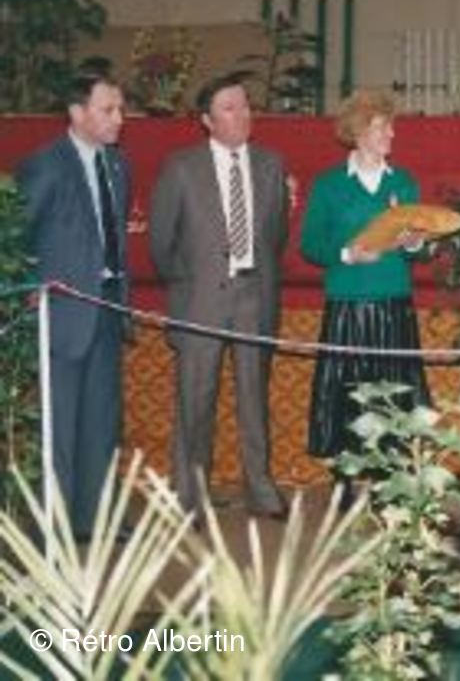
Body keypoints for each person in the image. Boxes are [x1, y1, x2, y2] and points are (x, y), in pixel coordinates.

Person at [149, 74, 288, 520]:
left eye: (245, 105)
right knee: (195, 400)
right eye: (229, 108)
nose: (242, 114)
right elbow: (161, 242)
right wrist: (190, 285)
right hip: (200, 300)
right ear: (207, 120)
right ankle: (189, 496)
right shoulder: (181, 167)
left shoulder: (271, 164)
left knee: (254, 399)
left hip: (255, 296)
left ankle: (260, 488)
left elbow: (276, 236)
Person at [300, 89, 432, 500]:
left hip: (394, 301)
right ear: (358, 132)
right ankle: (343, 478)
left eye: (390, 127)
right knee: (346, 392)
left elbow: (417, 249)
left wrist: (414, 242)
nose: (391, 134)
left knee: (394, 392)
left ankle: (388, 480)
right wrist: (346, 254)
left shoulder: (403, 182)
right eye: (381, 127)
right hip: (347, 303)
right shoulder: (329, 185)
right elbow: (310, 244)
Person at [17, 72, 130, 540]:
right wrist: (27, 290)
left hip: (108, 308)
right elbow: (16, 236)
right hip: (61, 315)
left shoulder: (118, 165)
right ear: (77, 113)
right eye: (108, 109)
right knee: (59, 426)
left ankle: (95, 518)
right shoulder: (45, 165)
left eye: (121, 109)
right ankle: (55, 527)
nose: (119, 119)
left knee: (101, 422)